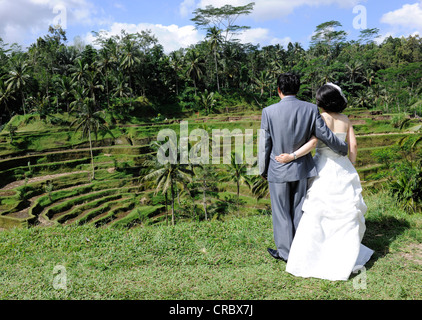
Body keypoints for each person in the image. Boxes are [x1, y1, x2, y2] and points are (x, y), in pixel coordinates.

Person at [276, 83, 373, 281]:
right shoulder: (345, 119)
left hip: (323, 166)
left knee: (319, 211)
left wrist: (292, 156)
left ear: (322, 101)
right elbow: (352, 144)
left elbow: (312, 143)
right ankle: (344, 253)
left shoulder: (321, 118)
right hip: (342, 166)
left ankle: (316, 254)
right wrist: (350, 164)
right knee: (344, 212)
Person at [259, 74, 349, 262]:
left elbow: (264, 144)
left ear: (278, 90)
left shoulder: (268, 111)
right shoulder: (310, 109)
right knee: (299, 209)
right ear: (298, 89)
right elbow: (324, 134)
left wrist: (263, 169)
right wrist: (341, 148)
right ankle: (302, 249)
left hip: (278, 169)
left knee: (281, 212)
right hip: (302, 168)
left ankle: (286, 253)